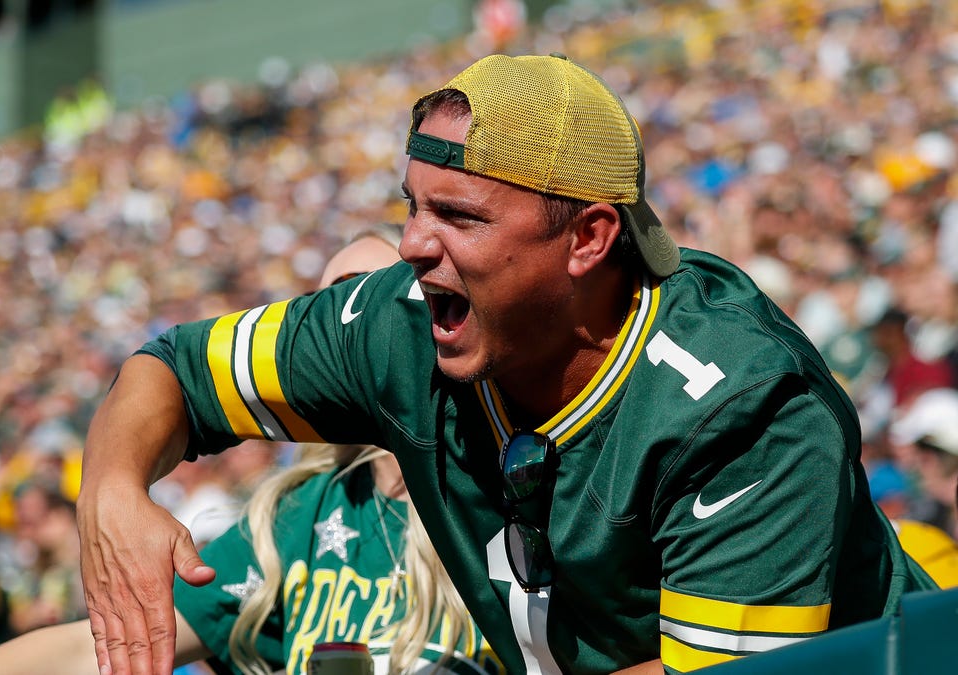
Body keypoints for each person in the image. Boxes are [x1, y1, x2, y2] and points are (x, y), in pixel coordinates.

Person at [76, 54, 937, 675]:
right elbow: (172, 371)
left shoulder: (744, 408)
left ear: (590, 238)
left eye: (460, 215)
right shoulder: (403, 322)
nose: (413, 245)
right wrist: (113, 490)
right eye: (411, 207)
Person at [0, 227, 503, 675]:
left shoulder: (501, 487)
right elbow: (99, 647)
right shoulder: (299, 516)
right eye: (322, 307)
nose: (341, 327)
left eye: (368, 297)